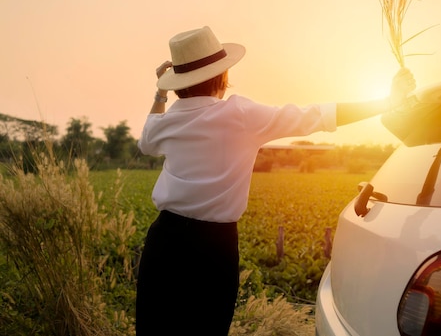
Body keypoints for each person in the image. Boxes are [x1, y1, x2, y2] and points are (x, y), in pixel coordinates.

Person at [135, 25, 415, 335]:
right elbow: (315, 116)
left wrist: (159, 93)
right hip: (213, 246)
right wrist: (387, 102)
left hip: (164, 239)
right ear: (223, 77)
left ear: (179, 84)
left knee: (155, 328)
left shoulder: (170, 117)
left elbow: (145, 143)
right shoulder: (240, 114)